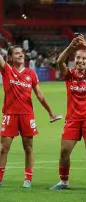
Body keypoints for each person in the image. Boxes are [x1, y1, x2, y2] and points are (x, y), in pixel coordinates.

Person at [0, 45, 60, 188]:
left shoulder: (31, 74)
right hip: (10, 114)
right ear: (9, 57)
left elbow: (39, 95)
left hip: (27, 115)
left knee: (28, 147)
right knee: (3, 148)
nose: (20, 55)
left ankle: (28, 179)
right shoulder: (7, 70)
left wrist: (50, 113)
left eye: (21, 53)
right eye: (16, 53)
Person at [50, 34, 86, 191]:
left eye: (83, 59)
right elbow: (59, 61)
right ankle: (64, 182)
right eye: (78, 58)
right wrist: (71, 47)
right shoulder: (69, 75)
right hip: (72, 119)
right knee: (64, 151)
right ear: (74, 60)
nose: (80, 61)